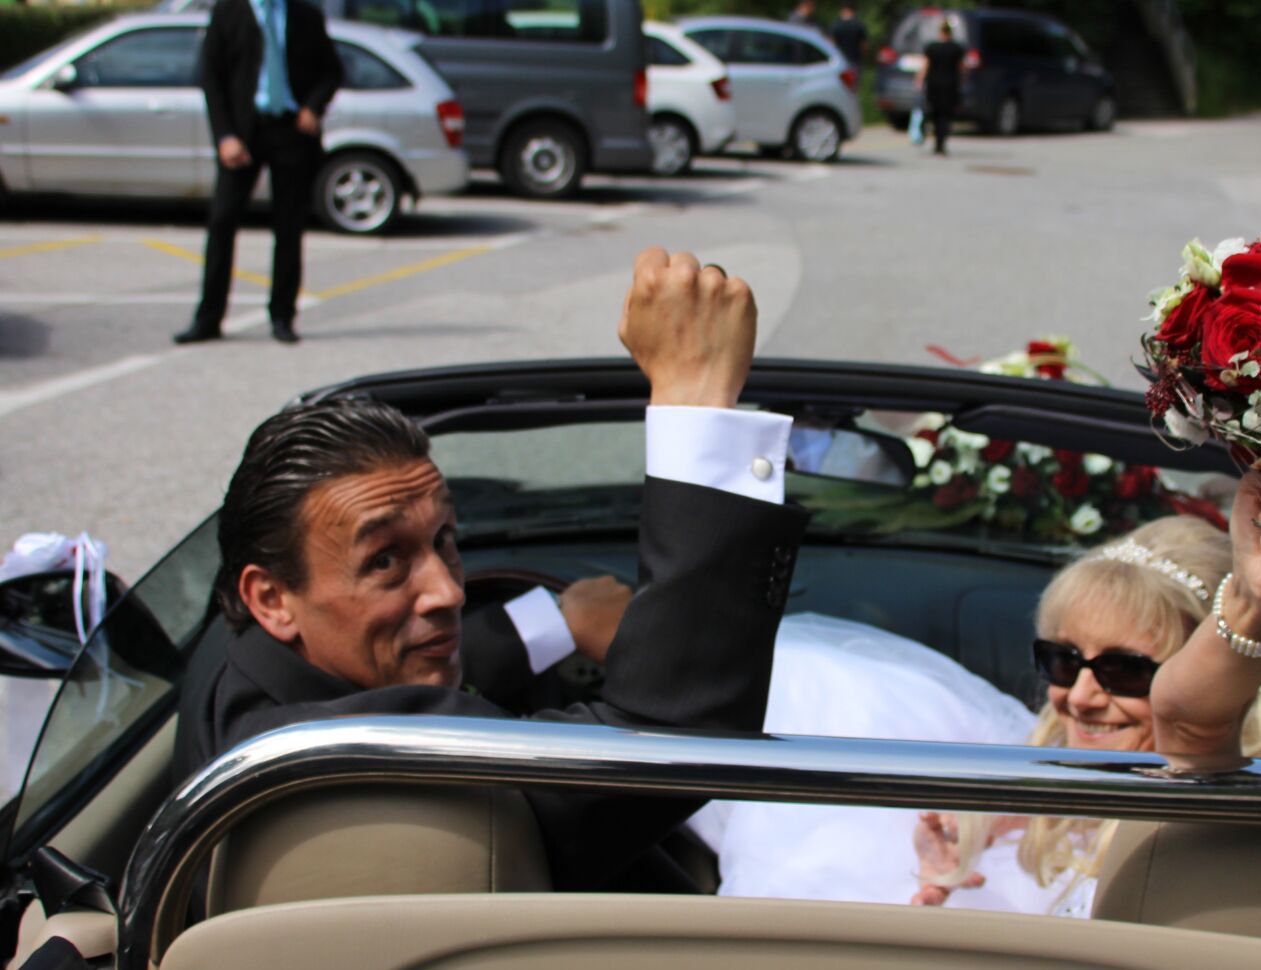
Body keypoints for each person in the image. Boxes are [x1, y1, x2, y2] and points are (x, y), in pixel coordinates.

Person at [175, 248, 810, 892]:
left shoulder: (237, 655)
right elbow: (674, 739)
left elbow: (414, 688)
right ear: (271, 598)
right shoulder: (343, 762)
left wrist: (557, 623)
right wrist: (697, 399)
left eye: (444, 539)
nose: (447, 590)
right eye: (385, 561)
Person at [690, 471, 1261, 915]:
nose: (1080, 696)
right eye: (1063, 661)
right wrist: (945, 881)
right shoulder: (1025, 803)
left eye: (1125, 671)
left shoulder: (1203, 813)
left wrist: (1251, 606)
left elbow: (1195, 718)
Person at [172, 0, 343, 347]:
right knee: (222, 222)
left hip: (291, 131)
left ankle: (282, 316)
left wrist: (314, 106)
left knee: (289, 227)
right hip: (244, 132)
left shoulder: (304, 13)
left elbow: (332, 71)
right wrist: (225, 135)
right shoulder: (228, 11)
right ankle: (208, 318)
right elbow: (212, 78)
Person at [916, 20, 965, 155]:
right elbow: (961, 68)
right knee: (946, 115)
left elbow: (925, 66)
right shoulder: (956, 48)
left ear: (940, 32)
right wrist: (962, 81)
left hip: (934, 85)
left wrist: (919, 80)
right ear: (950, 32)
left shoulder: (932, 47)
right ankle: (942, 142)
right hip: (950, 85)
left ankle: (937, 142)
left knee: (936, 114)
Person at [829, 5, 868, 72]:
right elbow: (863, 45)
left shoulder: (836, 25)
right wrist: (862, 56)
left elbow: (831, 43)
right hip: (855, 60)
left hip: (839, 60)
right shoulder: (859, 25)